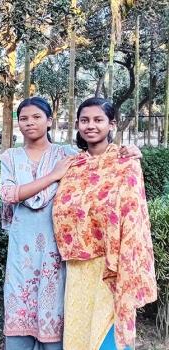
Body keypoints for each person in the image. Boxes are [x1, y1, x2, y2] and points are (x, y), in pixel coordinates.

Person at [0, 97, 142, 350]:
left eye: (36, 117)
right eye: (24, 118)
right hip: (22, 252)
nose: (30, 122)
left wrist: (130, 151)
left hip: (61, 254)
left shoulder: (68, 155)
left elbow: (102, 161)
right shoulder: (10, 157)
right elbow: (9, 194)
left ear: (49, 121)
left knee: (61, 317)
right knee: (19, 316)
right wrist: (54, 175)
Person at [52, 97, 157, 350]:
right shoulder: (72, 165)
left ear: (112, 124)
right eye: (85, 121)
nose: (91, 126)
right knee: (79, 333)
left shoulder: (125, 162)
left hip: (111, 265)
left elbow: (134, 217)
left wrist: (127, 265)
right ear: (77, 125)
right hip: (77, 265)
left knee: (106, 336)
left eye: (98, 120)